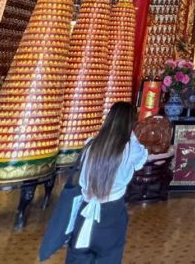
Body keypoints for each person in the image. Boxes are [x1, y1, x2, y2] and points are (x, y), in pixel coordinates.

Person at [67, 102, 163, 263]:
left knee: (78, 258)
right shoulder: (130, 148)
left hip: (84, 211)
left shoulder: (90, 144)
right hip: (111, 213)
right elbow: (144, 158)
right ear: (131, 124)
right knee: (109, 257)